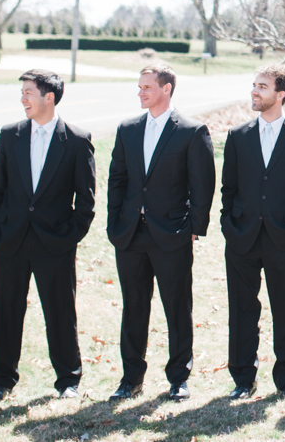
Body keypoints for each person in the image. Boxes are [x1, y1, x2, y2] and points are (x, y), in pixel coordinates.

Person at [0, 69, 96, 403]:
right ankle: (1, 379)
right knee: (6, 311)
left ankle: (68, 380)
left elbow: (85, 199)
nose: (23, 98)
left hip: (54, 243)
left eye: (28, 92)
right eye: (22, 92)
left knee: (60, 312)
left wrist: (69, 236)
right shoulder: (10, 135)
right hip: (9, 240)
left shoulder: (76, 139)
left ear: (49, 97)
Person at [105, 65, 215, 402]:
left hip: (172, 234)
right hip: (130, 235)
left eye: (147, 87)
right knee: (134, 307)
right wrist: (115, 223)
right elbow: (117, 179)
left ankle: (179, 378)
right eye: (139, 87)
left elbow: (202, 184)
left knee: (177, 308)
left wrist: (194, 229)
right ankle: (131, 378)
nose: (141, 93)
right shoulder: (128, 129)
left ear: (166, 89)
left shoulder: (192, 131)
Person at [220, 65, 285, 400]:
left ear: (280, 94)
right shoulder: (237, 137)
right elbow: (228, 188)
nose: (254, 91)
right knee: (242, 310)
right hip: (242, 237)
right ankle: (242, 379)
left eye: (261, 86)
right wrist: (228, 225)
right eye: (253, 85)